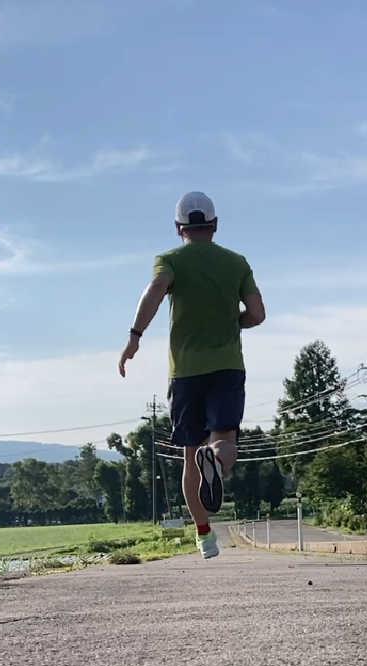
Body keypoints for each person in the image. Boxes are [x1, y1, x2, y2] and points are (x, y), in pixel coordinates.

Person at [118, 191, 265, 559]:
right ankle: (216, 458)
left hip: (184, 372)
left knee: (189, 457)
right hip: (228, 365)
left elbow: (154, 290)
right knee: (224, 439)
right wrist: (236, 324)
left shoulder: (169, 260)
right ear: (214, 225)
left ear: (178, 227)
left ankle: (204, 536)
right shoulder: (236, 262)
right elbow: (258, 313)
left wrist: (134, 338)